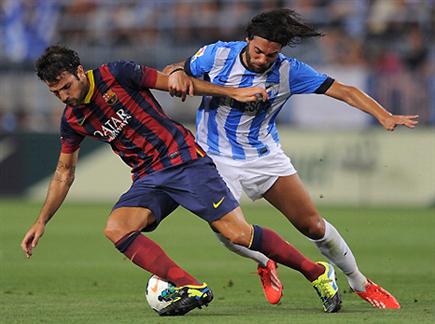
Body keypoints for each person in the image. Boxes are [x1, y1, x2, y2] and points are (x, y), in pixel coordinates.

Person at [21, 45, 343, 317]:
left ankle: (316, 272)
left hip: (184, 160)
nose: (64, 96)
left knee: (236, 233)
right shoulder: (74, 120)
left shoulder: (116, 74)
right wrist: (41, 221)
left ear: (79, 72)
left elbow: (179, 84)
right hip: (148, 177)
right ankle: (192, 286)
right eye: (55, 93)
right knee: (116, 227)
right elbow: (65, 173)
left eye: (66, 87)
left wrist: (234, 93)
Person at [165, 8, 419, 309]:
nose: (262, 59)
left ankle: (359, 281)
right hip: (216, 158)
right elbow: (174, 70)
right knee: (227, 231)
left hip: (265, 156)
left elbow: (344, 90)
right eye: (258, 51)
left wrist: (383, 115)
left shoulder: (289, 71)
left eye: (270, 55)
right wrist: (177, 72)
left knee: (313, 226)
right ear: (247, 40)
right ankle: (265, 261)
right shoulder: (217, 56)